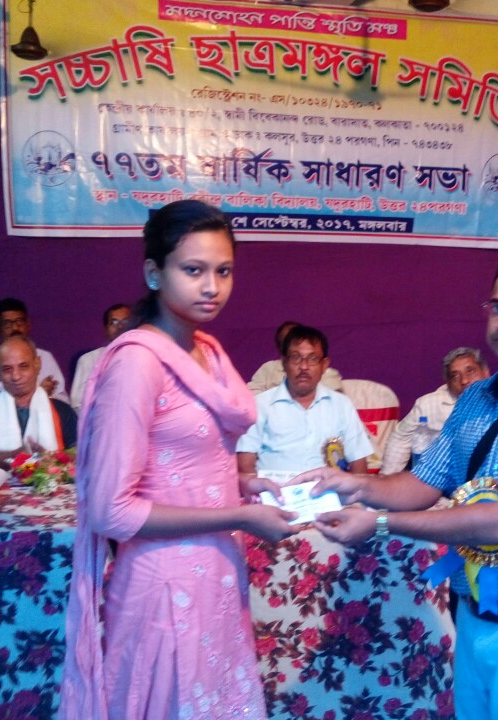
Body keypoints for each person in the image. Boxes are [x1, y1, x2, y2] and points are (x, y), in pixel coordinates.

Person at [294, 248, 498, 720]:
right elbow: (422, 483)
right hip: (476, 617)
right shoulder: (478, 397)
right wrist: (353, 485)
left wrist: (379, 523)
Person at [59, 200, 297, 720]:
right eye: (193, 270)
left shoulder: (206, 351)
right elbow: (111, 511)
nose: (212, 286)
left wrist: (241, 488)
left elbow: (189, 464)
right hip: (164, 589)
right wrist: (238, 515)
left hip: (214, 575)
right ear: (153, 273)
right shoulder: (138, 364)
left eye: (223, 271)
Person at [237, 324, 373, 475]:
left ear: (324, 365)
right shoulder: (260, 405)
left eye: (313, 359)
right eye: (296, 358)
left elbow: (358, 463)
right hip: (275, 489)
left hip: (330, 489)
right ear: (283, 362)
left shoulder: (341, 405)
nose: (304, 366)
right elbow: (245, 465)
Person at [0, 336, 77, 467]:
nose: (16, 376)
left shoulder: (62, 411)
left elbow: (80, 455)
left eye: (23, 366)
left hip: (52, 479)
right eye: (7, 369)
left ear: (37, 365)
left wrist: (52, 459)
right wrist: (18, 455)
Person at [381, 347, 489, 473]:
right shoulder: (428, 405)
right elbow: (400, 438)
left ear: (486, 372)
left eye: (470, 371)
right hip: (442, 476)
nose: (464, 380)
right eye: (455, 376)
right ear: (448, 383)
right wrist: (388, 478)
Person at [0, 298, 68, 415]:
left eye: (19, 321)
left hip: (41, 419)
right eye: (7, 324)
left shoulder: (45, 357)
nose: (15, 328)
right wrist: (26, 398)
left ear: (28, 324)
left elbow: (64, 402)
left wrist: (42, 398)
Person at [246, 320, 343, 394]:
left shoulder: (325, 372)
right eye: (287, 342)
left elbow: (334, 399)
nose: (304, 366)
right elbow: (250, 396)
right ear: (280, 349)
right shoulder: (268, 368)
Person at [69, 303, 133, 411]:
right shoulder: (88, 360)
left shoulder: (145, 358)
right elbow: (77, 403)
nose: (120, 327)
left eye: (126, 321)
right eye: (114, 322)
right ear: (106, 328)